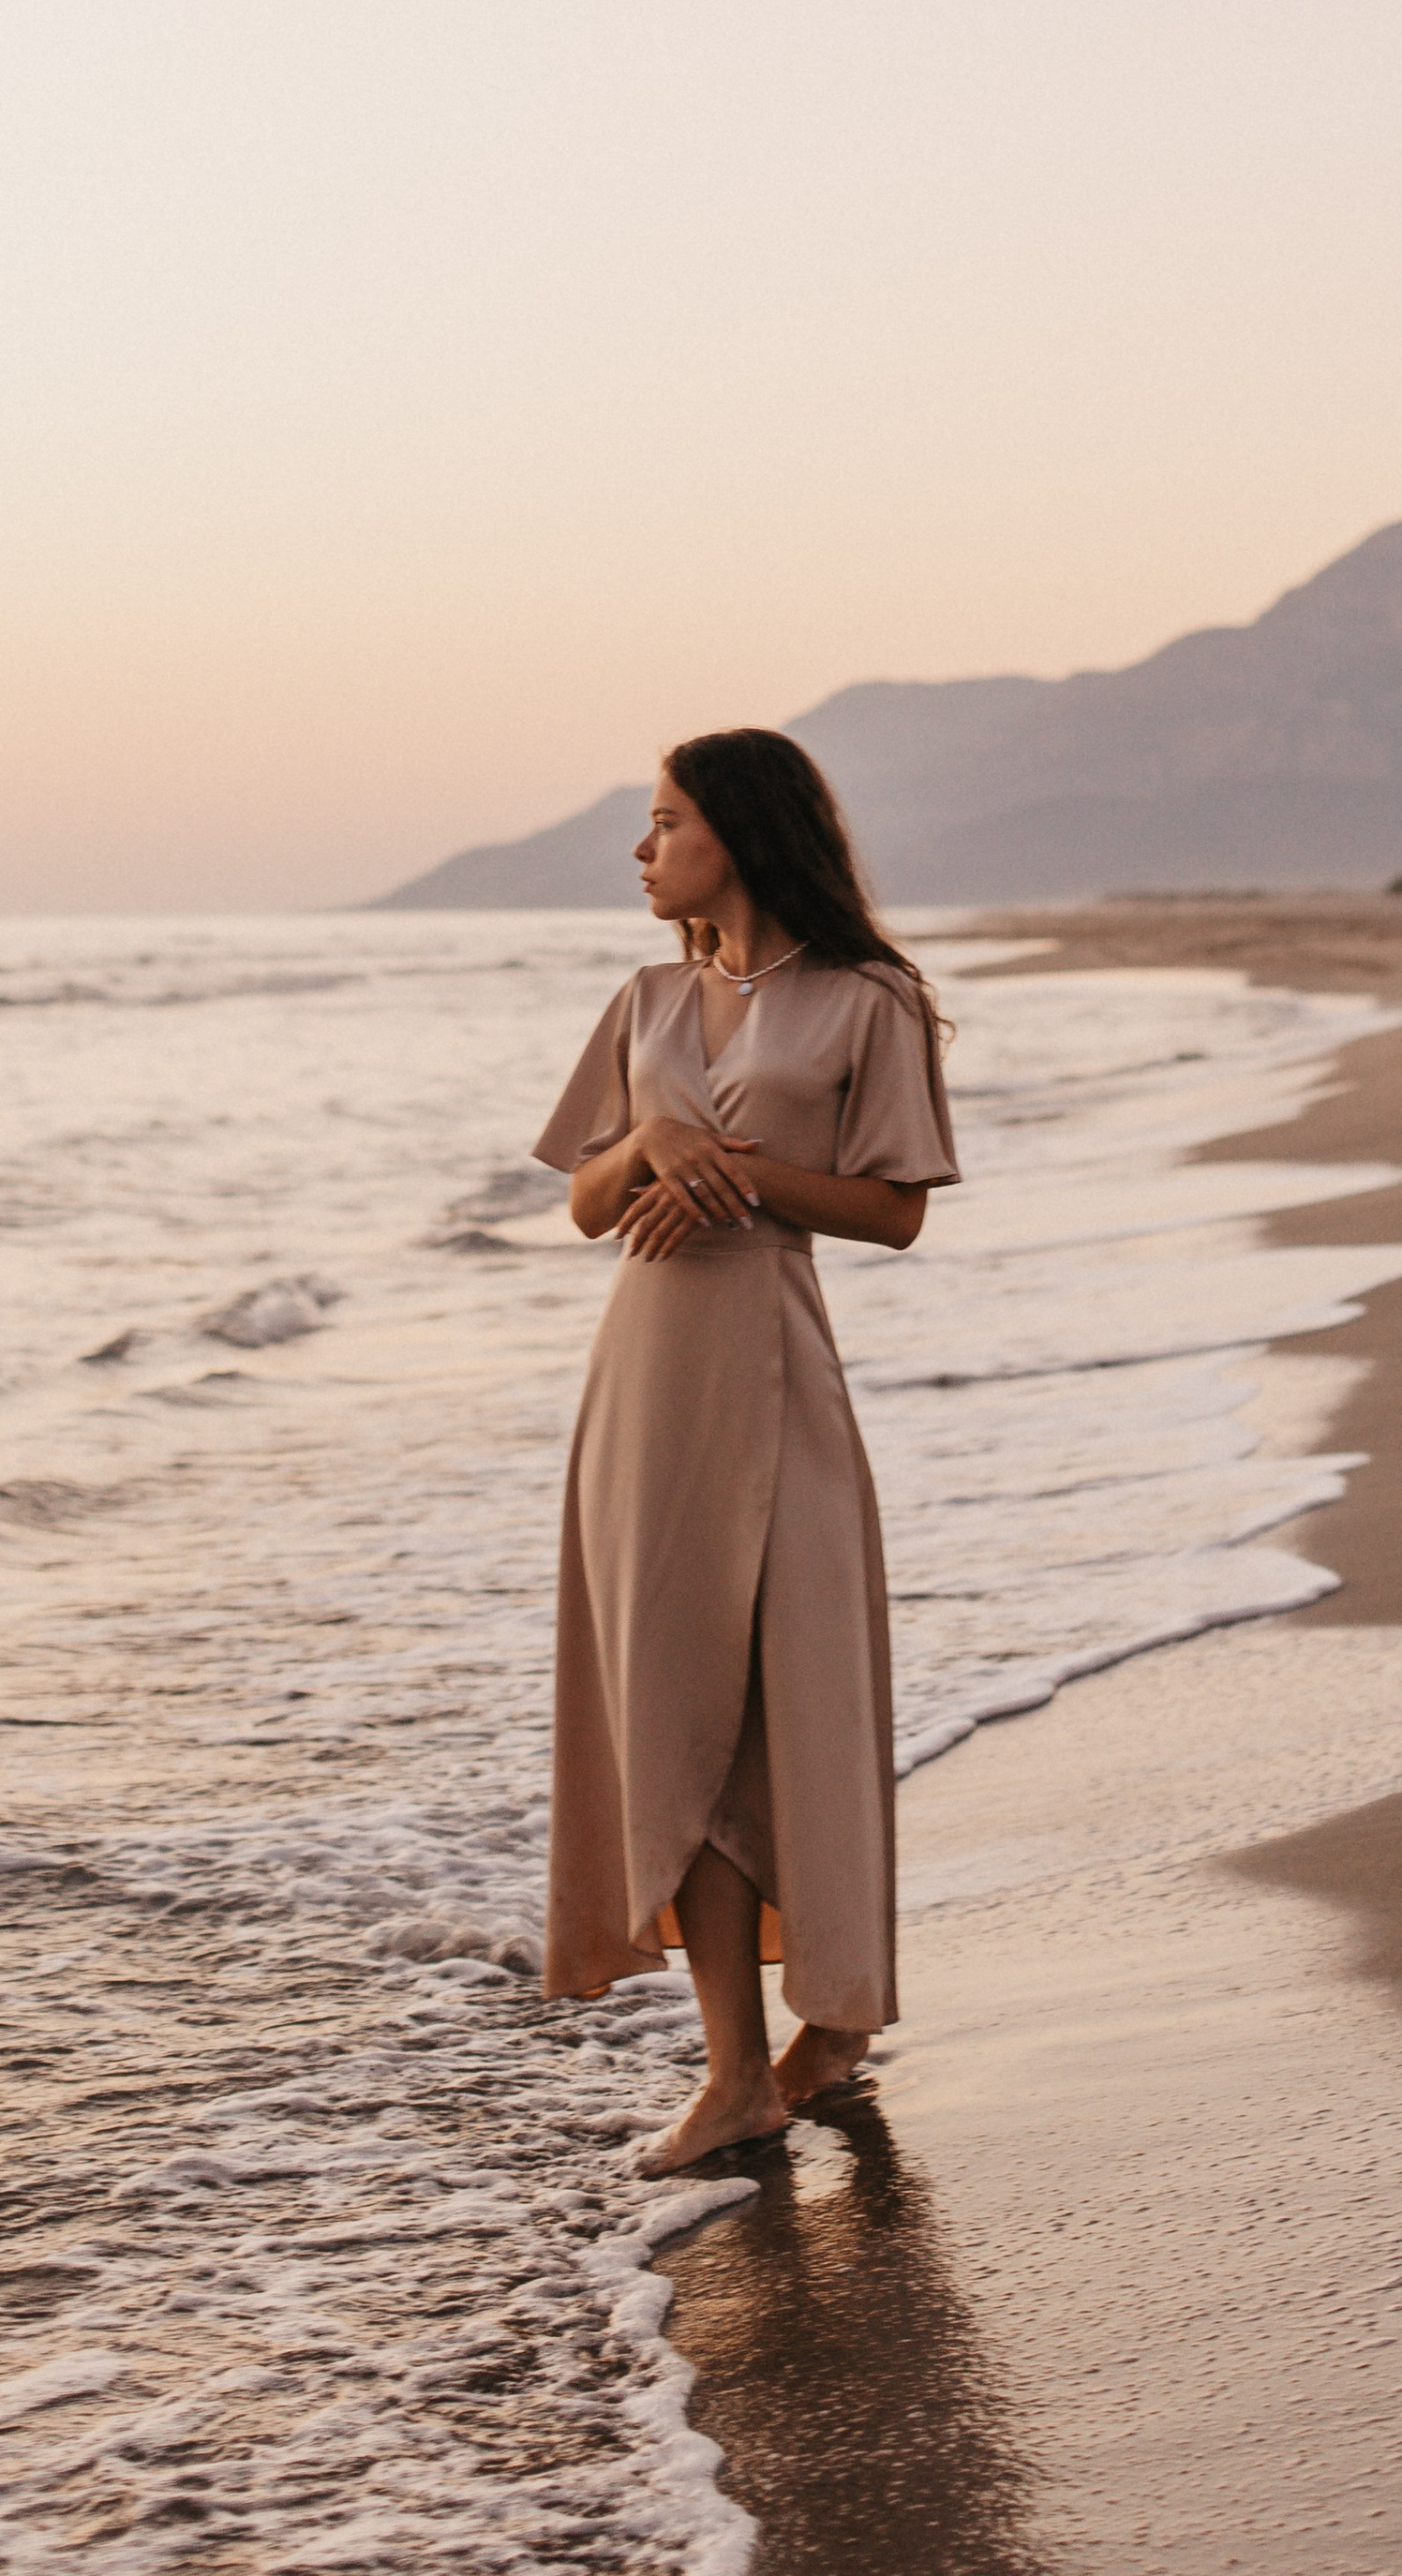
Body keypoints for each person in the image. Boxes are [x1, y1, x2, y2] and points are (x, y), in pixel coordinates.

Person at [531, 727, 960, 2176]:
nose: (642, 851)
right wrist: (650, 1138)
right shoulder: (647, 999)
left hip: (773, 1370)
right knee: (670, 1716)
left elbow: (895, 1209)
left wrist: (739, 1177)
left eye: (664, 822)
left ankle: (831, 2022)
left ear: (741, 833)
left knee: (797, 1710)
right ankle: (733, 2074)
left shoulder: (868, 999)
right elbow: (590, 1205)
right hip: (644, 1385)